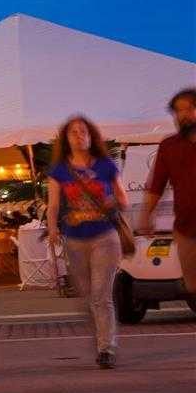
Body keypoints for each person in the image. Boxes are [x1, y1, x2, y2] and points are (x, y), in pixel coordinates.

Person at [45, 114, 128, 369]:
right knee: (87, 295)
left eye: (83, 131)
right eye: (73, 132)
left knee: (101, 296)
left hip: (105, 236)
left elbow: (123, 199)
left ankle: (106, 348)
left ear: (91, 137)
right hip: (74, 240)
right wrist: (52, 230)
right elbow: (54, 204)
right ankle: (103, 338)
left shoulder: (105, 165)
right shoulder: (59, 170)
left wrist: (112, 202)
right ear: (66, 139)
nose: (79, 135)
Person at [137, 88, 196, 295]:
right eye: (178, 111)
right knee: (192, 285)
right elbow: (157, 185)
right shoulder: (169, 146)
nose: (184, 115)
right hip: (186, 229)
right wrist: (146, 215)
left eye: (189, 108)